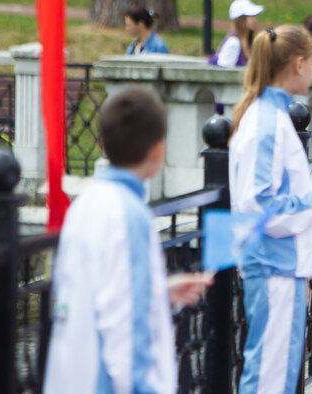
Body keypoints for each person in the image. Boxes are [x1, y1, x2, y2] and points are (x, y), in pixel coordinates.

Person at [44, 88, 213, 393]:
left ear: (102, 144)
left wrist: (156, 292)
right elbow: (125, 325)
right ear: (158, 151)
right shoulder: (130, 214)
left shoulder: (85, 204)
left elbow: (102, 290)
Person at [229, 25, 312, 393]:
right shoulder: (267, 122)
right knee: (269, 374)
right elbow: (259, 204)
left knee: (277, 372)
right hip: (273, 264)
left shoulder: (270, 117)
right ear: (300, 63)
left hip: (281, 266)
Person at [209, 0, 264, 67]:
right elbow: (223, 74)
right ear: (241, 19)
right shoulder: (234, 43)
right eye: (250, 16)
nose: (255, 20)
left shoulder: (249, 42)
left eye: (255, 16)